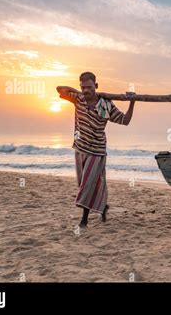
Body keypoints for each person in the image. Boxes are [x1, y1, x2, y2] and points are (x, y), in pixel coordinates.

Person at [56, 72, 136, 228]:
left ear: (96, 86)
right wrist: (81, 92)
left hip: (97, 150)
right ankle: (103, 207)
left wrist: (132, 102)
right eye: (83, 87)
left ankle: (84, 220)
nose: (86, 90)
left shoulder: (106, 105)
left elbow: (125, 121)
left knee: (87, 184)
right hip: (80, 148)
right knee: (84, 184)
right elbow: (59, 89)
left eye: (89, 87)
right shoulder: (78, 99)